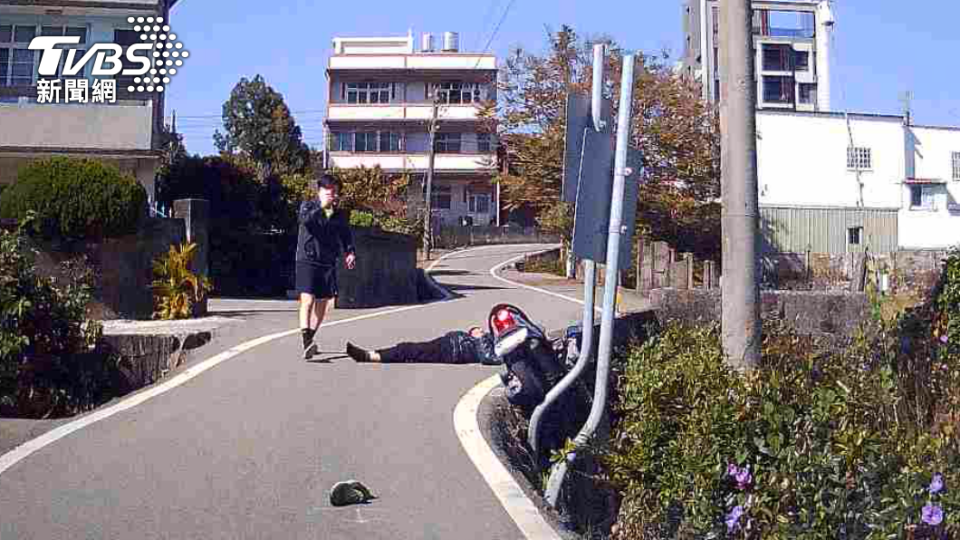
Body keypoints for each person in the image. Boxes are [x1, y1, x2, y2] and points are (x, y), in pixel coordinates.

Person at [296, 174, 356, 360]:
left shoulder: (338, 214)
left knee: (322, 305)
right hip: (307, 259)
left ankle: (310, 339)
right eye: (329, 191)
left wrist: (350, 252)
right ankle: (306, 342)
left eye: (335, 192)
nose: (332, 195)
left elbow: (345, 235)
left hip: (327, 262)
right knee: (307, 300)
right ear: (319, 191)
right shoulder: (308, 206)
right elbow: (306, 221)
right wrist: (322, 207)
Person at [345, 326, 500, 365]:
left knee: (408, 350)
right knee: (408, 349)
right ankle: (371, 354)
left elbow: (487, 357)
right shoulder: (483, 339)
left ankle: (368, 356)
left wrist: (481, 337)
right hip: (446, 343)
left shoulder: (489, 344)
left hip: (450, 351)